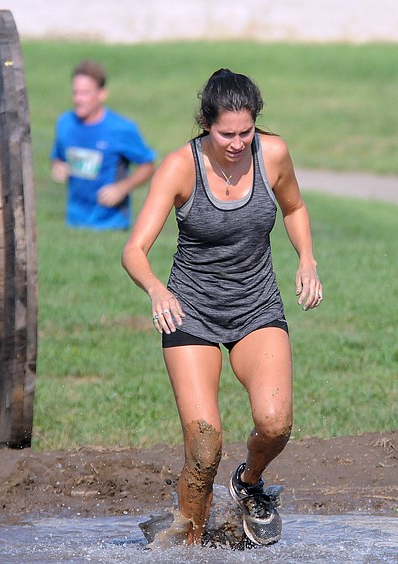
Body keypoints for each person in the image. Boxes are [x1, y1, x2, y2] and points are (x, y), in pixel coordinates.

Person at [121, 68, 323, 545]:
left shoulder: (272, 154)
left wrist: (307, 260)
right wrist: (156, 289)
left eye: (245, 132)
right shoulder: (179, 167)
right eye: (225, 133)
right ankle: (188, 540)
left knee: (275, 423)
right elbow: (134, 250)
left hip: (256, 305)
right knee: (205, 441)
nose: (236, 143)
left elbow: (293, 207)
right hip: (190, 312)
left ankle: (249, 484)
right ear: (206, 124)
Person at [51, 60, 157, 229]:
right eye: (75, 93)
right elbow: (57, 157)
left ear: (102, 94)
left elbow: (148, 166)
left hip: (111, 223)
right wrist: (58, 167)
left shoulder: (121, 129)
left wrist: (122, 188)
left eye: (85, 93)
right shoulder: (64, 124)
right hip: (74, 223)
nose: (78, 99)